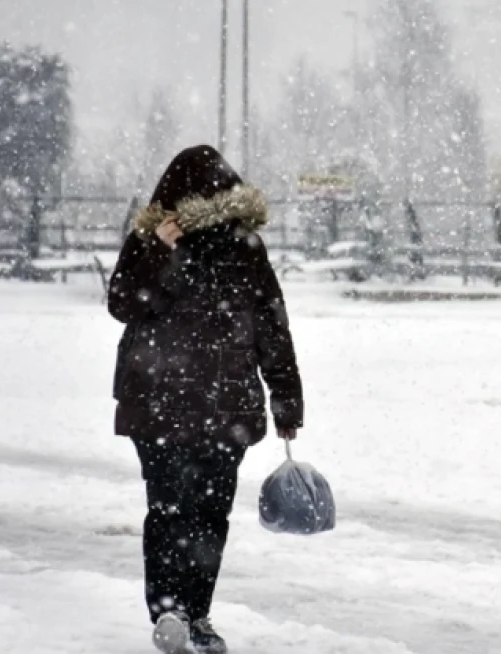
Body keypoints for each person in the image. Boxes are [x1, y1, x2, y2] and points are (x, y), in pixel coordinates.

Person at [108, 145, 304, 654]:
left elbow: (269, 324)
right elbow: (124, 304)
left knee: (185, 514)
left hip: (203, 406)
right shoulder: (153, 241)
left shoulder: (243, 247)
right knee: (193, 514)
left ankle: (186, 613)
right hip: (181, 406)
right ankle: (180, 614)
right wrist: (158, 250)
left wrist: (286, 396)